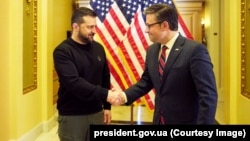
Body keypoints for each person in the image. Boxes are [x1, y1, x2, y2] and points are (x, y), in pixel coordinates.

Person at [109, 4, 218, 124]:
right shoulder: (152, 50)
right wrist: (123, 96)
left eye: (149, 25)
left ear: (165, 25)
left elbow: (208, 95)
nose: (146, 30)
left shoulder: (194, 50)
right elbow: (146, 82)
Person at [53, 7, 117, 141]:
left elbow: (105, 77)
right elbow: (74, 83)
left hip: (97, 113)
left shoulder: (98, 48)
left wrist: (107, 107)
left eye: (95, 26)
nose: (94, 31)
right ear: (75, 26)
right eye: (89, 27)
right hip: (72, 116)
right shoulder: (63, 51)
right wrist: (106, 94)